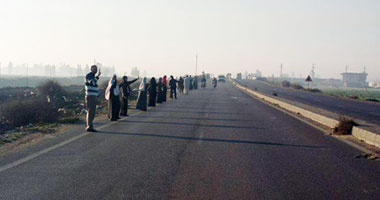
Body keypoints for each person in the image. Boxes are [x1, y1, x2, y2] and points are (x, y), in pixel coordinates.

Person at [84, 65, 101, 132]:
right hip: (90, 96)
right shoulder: (89, 75)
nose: (95, 70)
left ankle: (90, 125)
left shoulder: (93, 76)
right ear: (91, 69)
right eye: (94, 69)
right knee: (90, 111)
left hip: (93, 96)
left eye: (96, 69)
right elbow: (92, 82)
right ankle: (89, 126)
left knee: (93, 112)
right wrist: (98, 76)